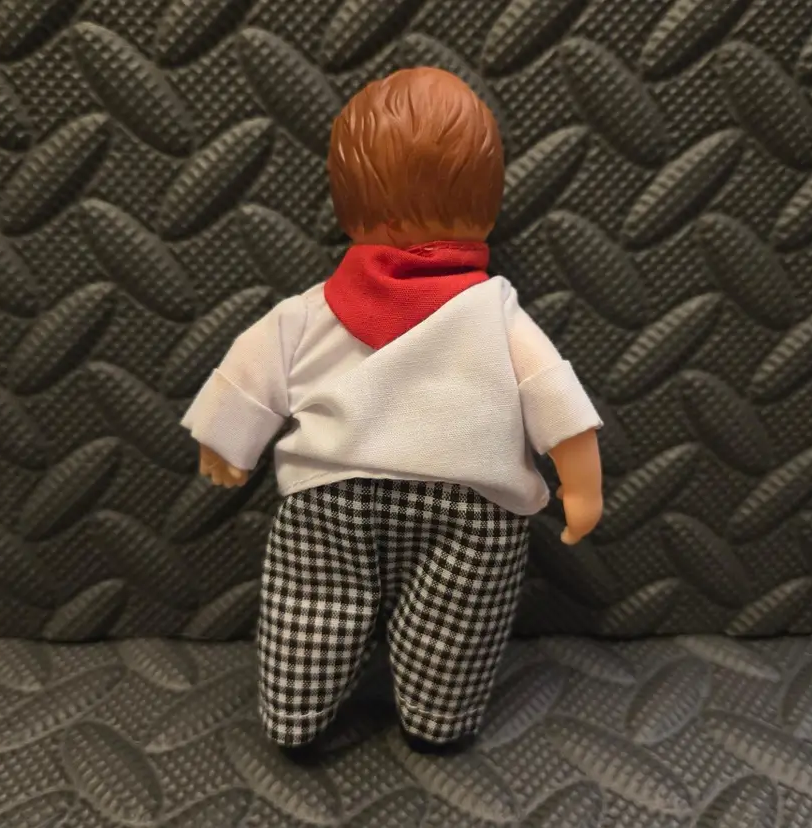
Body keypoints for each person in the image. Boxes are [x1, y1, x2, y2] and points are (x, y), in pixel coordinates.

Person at [181, 66, 603, 754]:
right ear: (486, 204)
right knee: (454, 625)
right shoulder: (495, 313)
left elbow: (252, 369)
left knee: (312, 606)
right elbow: (551, 391)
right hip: (473, 506)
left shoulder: (309, 311)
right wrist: (581, 483)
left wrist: (227, 443)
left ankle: (295, 716)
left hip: (330, 493)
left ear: (349, 203)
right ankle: (438, 720)